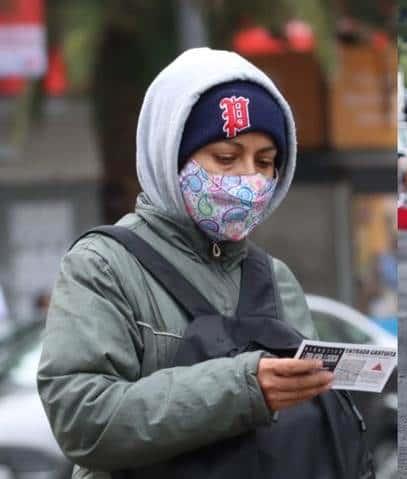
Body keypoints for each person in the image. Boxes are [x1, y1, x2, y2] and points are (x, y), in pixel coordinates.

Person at [37, 48, 372, 479]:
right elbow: (81, 420)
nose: (249, 180)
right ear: (170, 156)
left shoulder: (274, 277)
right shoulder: (103, 266)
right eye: (226, 158)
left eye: (265, 162)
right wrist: (244, 387)